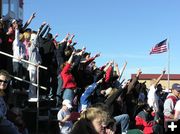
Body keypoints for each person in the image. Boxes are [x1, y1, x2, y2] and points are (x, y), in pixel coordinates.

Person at [0, 69, 20, 134]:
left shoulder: (2, 94)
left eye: (5, 81)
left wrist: (15, 116)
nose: (3, 83)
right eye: (0, 80)